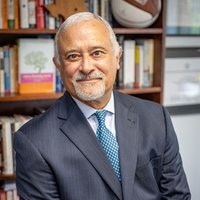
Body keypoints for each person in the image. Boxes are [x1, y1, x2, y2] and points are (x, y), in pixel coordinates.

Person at [14, 12, 191, 200]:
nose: (86, 67)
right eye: (73, 56)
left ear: (117, 58)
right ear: (58, 65)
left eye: (97, 53)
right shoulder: (33, 141)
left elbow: (177, 196)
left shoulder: (156, 117)